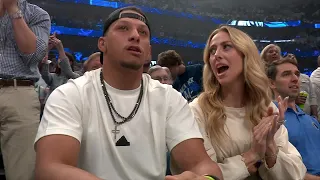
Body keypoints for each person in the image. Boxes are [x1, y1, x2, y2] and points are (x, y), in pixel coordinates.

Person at [34, 6, 223, 180]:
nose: (135, 36)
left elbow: (202, 165)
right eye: (123, 28)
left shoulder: (169, 98)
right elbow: (51, 168)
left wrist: (205, 179)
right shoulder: (70, 94)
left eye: (143, 32)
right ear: (102, 43)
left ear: (148, 52)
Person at [187, 26, 306, 180]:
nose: (216, 55)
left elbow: (296, 173)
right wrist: (253, 155)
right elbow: (200, 175)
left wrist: (270, 147)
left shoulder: (266, 108)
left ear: (246, 55)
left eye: (226, 47)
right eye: (212, 51)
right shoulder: (197, 110)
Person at [0, 0, 50, 179]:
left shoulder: (38, 15)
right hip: (19, 94)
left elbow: (33, 56)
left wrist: (13, 10)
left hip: (19, 92)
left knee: (23, 171)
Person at [267, 57, 320, 179]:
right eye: (286, 74)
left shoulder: (311, 120)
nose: (295, 79)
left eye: (297, 74)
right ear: (272, 83)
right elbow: (274, 167)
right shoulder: (270, 117)